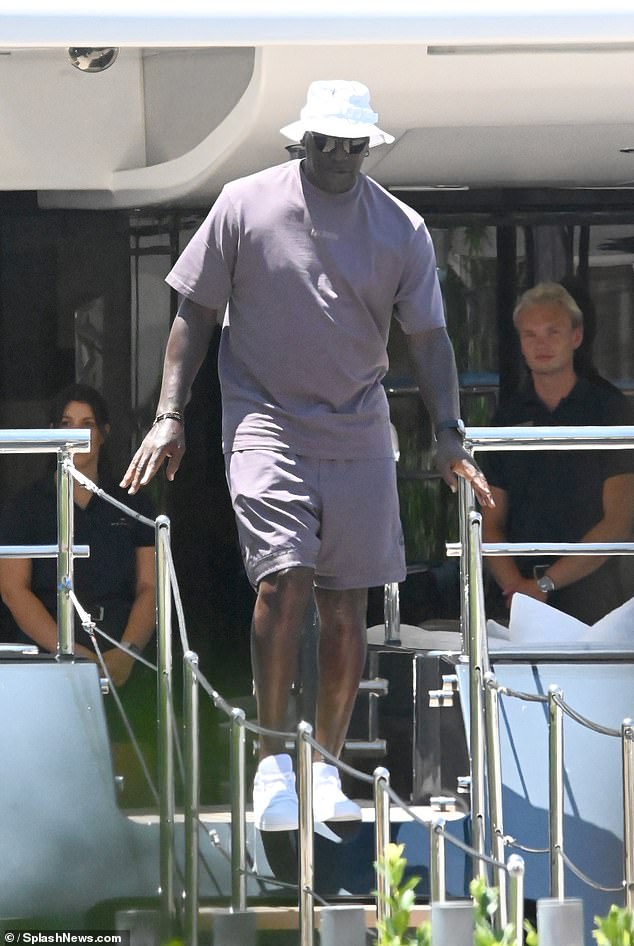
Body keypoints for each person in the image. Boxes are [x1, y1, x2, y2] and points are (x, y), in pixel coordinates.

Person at [121, 79, 493, 831]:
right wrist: (170, 415)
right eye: (327, 143)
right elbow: (195, 311)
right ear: (302, 141)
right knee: (285, 577)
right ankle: (270, 761)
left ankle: (324, 769)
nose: (340, 157)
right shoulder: (243, 204)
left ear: (368, 146)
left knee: (345, 603)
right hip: (264, 419)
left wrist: (450, 430)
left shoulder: (402, 227)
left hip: (357, 426)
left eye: (354, 146)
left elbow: (428, 337)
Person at [0, 384, 157, 804]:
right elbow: (14, 591)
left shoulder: (131, 498)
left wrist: (125, 654)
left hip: (124, 655)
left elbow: (150, 587)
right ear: (51, 432)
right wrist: (71, 656)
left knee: (134, 787)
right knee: (53, 790)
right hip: (52, 658)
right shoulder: (25, 506)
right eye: (66, 425)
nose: (76, 434)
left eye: (87, 425)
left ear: (104, 432)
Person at [482, 282, 634, 625]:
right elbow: (490, 522)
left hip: (596, 606)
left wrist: (546, 583)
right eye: (530, 334)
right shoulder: (505, 419)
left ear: (575, 337)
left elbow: (619, 521)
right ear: (520, 343)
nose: (542, 344)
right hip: (515, 606)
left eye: (553, 332)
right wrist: (517, 590)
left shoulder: (609, 410)